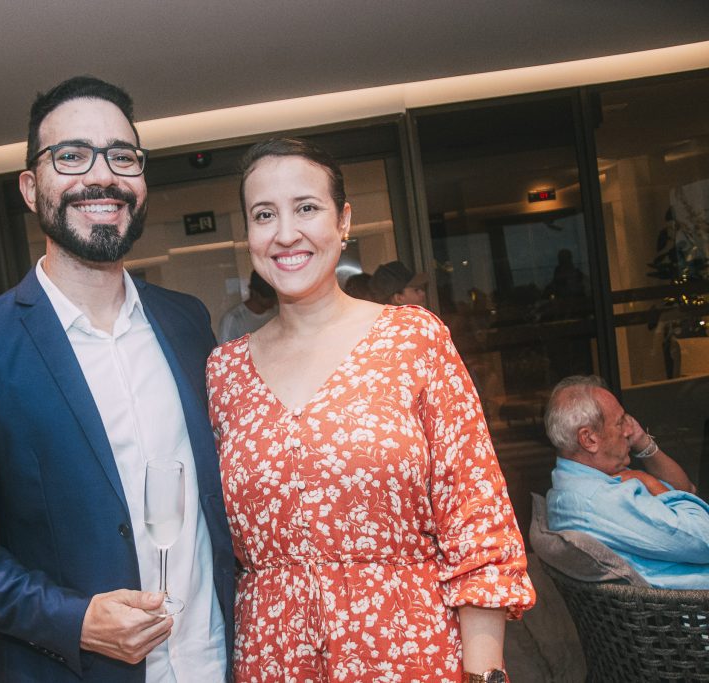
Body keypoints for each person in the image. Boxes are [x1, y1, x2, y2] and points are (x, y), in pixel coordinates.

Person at [0, 75, 235, 683]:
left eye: (123, 156)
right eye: (72, 156)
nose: (102, 176)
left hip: (215, 655)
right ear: (30, 188)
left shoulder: (186, 320)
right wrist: (75, 619)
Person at [206, 138, 534, 682]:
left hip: (408, 653)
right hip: (274, 659)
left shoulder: (412, 339)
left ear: (344, 220)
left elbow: (477, 519)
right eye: (264, 215)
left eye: (306, 208)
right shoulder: (225, 373)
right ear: (249, 235)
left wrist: (484, 675)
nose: (285, 233)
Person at [544, 375, 709, 589]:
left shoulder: (581, 479)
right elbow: (705, 537)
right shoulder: (601, 499)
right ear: (589, 439)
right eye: (620, 422)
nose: (629, 430)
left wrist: (642, 442)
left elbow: (685, 489)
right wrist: (649, 481)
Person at [218, 270, 277, 342]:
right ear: (254, 292)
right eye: (268, 295)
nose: (273, 299)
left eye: (275, 295)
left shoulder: (278, 312)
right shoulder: (233, 319)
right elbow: (226, 347)